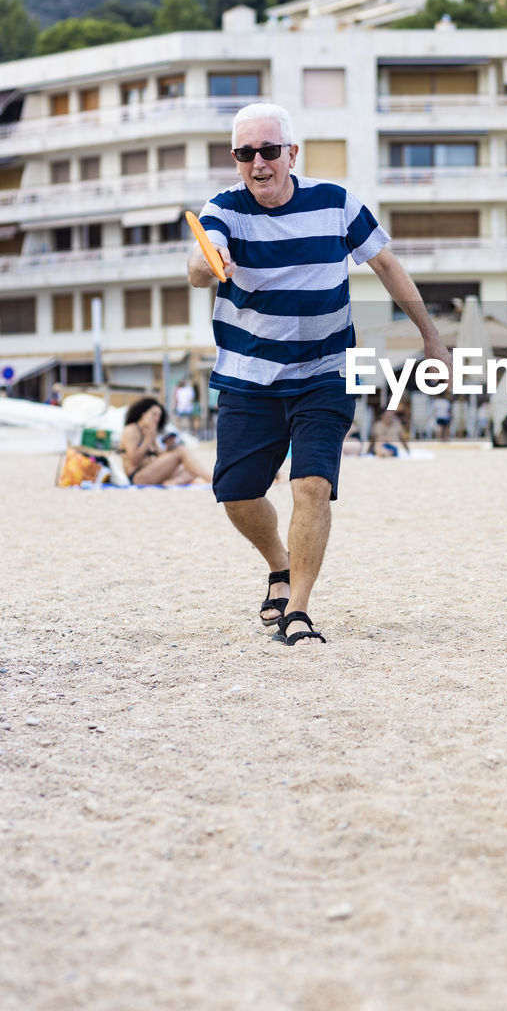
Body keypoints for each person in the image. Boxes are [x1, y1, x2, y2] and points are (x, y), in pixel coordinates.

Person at [188, 102, 450, 649]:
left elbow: (386, 266)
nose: (257, 163)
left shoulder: (335, 203)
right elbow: (199, 261)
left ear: (291, 153)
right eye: (245, 153)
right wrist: (210, 262)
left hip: (327, 370)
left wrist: (431, 337)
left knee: (311, 485)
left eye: (268, 151)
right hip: (248, 376)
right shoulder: (223, 211)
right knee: (236, 494)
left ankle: (298, 610)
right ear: (235, 159)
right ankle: (278, 566)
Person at [118, 397, 212, 486]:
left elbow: (160, 457)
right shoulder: (131, 430)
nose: (157, 419)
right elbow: (134, 460)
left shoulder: (150, 432)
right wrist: (147, 438)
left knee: (191, 468)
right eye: (154, 414)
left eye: (159, 416)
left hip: (151, 472)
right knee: (181, 451)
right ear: (143, 414)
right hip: (138, 477)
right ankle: (211, 479)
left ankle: (176, 481)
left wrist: (168, 448)